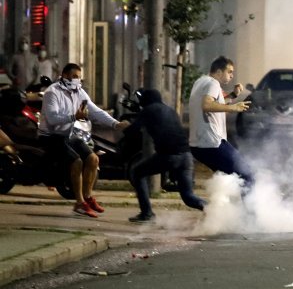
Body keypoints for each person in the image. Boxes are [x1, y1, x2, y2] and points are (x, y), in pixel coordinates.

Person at [38, 63, 130, 217]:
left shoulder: (78, 92)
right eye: (74, 77)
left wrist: (116, 124)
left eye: (79, 77)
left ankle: (87, 197)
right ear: (64, 75)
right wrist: (75, 116)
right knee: (77, 162)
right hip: (50, 136)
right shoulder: (52, 92)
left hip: (68, 135)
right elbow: (53, 119)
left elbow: (95, 111)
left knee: (93, 159)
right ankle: (79, 203)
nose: (77, 80)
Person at [123, 89, 206, 222]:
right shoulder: (170, 110)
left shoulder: (148, 110)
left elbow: (131, 131)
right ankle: (216, 210)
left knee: (137, 172)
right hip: (187, 157)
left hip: (170, 156)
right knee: (188, 197)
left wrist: (124, 126)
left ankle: (147, 213)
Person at [189, 56, 254, 192]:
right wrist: (234, 107)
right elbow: (207, 105)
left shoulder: (201, 81)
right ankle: (249, 213)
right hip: (211, 143)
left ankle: (224, 211)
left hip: (198, 145)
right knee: (247, 175)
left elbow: (216, 104)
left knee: (228, 179)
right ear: (219, 72)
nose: (232, 76)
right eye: (229, 72)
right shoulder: (213, 83)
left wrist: (232, 96)